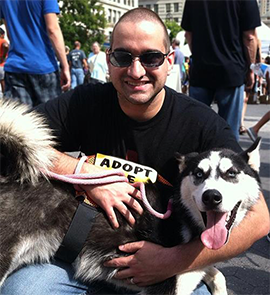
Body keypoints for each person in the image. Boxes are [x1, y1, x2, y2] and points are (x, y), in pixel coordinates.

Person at [1, 7, 269, 295]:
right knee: (22, 291)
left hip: (165, 263)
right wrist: (86, 174)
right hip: (71, 253)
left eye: (151, 58)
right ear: (108, 59)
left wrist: (170, 261)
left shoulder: (202, 125)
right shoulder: (84, 102)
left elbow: (260, 220)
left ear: (169, 62)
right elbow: (18, 140)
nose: (136, 71)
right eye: (123, 57)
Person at [181, 0, 261, 141]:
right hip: (231, 71)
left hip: (201, 70)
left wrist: (200, 57)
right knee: (228, 133)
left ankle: (196, 160)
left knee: (195, 130)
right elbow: (249, 37)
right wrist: (251, 68)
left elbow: (188, 35)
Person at [0, 0, 71, 107]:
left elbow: (10, 33)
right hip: (43, 66)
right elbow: (52, 30)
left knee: (19, 121)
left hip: (15, 67)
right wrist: (65, 66)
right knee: (49, 119)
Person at [0, 27, 9, 96]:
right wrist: (3, 56)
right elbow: (6, 46)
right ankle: (4, 97)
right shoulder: (2, 40)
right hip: (2, 64)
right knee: (3, 81)